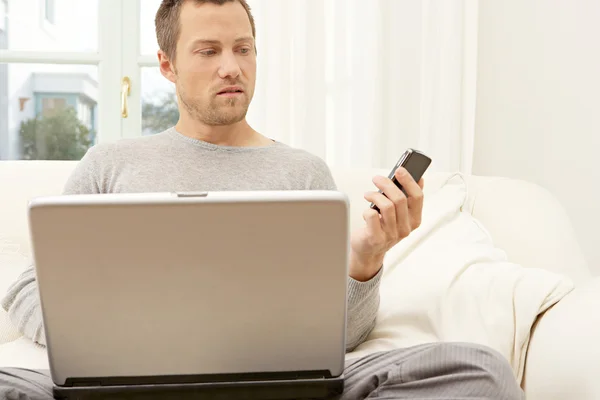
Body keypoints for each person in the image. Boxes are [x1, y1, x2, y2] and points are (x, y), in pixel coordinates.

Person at [0, 1, 524, 399]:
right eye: (208, 51)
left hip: (280, 381)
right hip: (127, 381)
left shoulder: (302, 173)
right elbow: (30, 286)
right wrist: (103, 344)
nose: (231, 67)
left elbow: (339, 338)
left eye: (243, 48)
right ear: (166, 65)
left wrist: (366, 260)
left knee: (477, 368)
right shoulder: (109, 164)